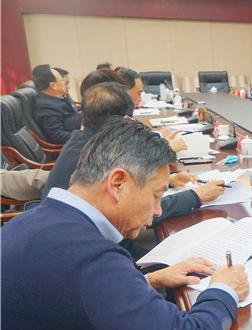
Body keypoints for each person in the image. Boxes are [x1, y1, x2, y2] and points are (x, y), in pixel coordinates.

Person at [2, 118, 249, 330]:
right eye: (156, 195)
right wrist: (224, 289)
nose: (158, 210)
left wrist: (148, 281)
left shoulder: (32, 221)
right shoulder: (91, 255)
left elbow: (74, 296)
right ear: (118, 183)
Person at [42, 81, 224, 227]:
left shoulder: (83, 140)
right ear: (125, 120)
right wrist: (196, 196)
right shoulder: (98, 155)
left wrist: (166, 181)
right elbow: (136, 212)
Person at [31, 64, 81, 144]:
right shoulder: (45, 107)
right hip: (77, 145)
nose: (65, 83)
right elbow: (58, 136)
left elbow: (72, 113)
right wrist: (86, 136)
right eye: (62, 80)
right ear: (53, 85)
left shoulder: (56, 98)